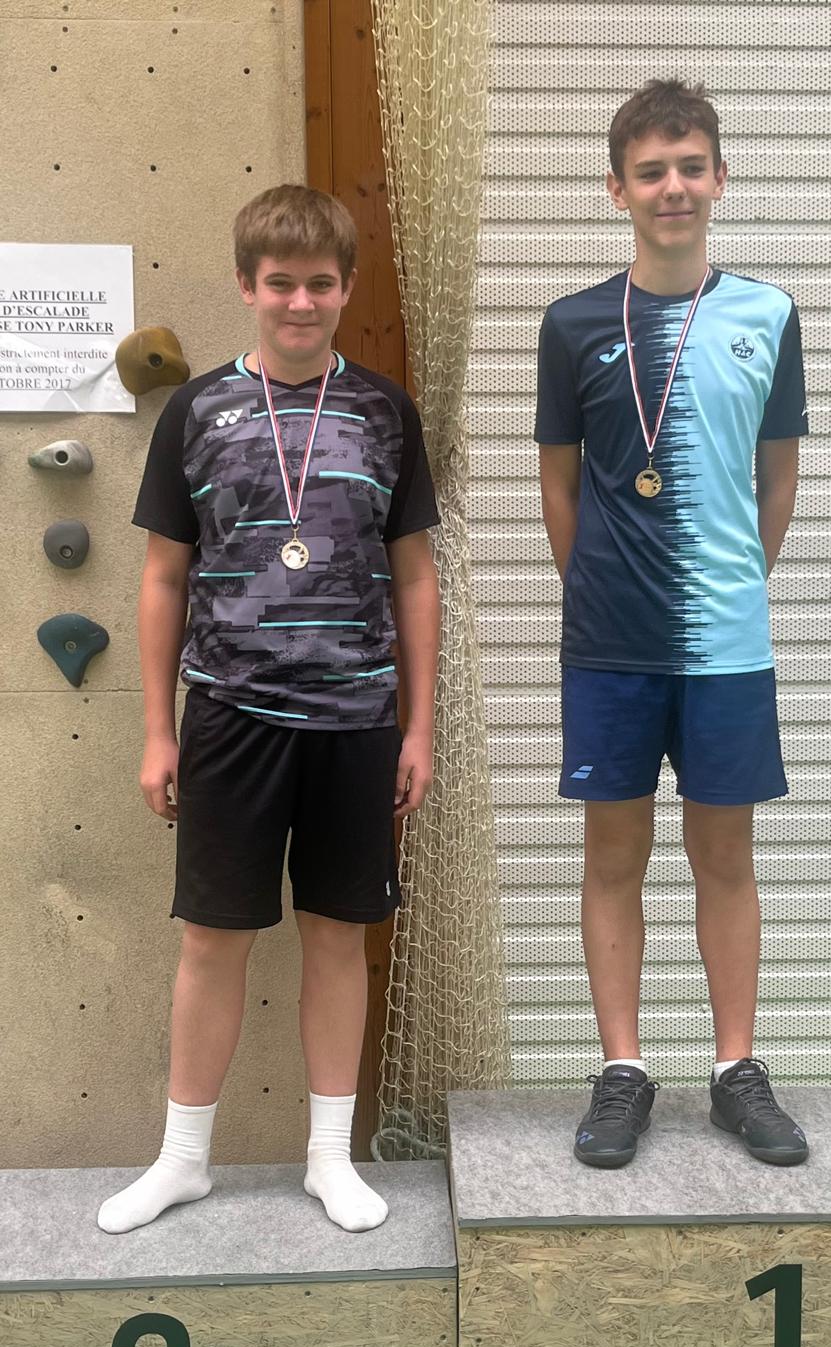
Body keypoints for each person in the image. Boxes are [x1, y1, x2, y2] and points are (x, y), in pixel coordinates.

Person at [98, 185, 440, 1234]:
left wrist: (419, 726)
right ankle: (183, 1160)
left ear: (347, 288)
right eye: (280, 283)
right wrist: (158, 730)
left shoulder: (384, 412)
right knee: (213, 941)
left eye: (320, 284)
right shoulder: (198, 412)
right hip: (232, 716)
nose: (301, 302)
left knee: (337, 938)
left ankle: (328, 1158)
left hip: (355, 721)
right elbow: (163, 577)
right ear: (247, 286)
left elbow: (415, 576)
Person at [535, 80, 809, 1170]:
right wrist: (603, 589)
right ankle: (623, 1070)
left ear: (720, 178)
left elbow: (777, 479)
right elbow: (560, 485)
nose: (673, 187)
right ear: (618, 190)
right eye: (651, 171)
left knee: (723, 857)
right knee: (614, 856)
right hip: (609, 643)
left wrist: (726, 583)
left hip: (726, 643)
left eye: (691, 166)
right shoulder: (572, 324)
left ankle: (736, 1069)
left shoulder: (768, 316)